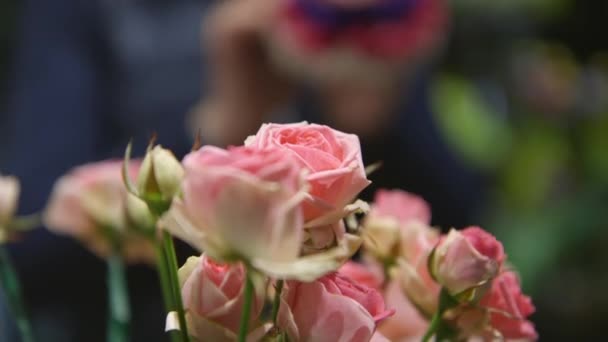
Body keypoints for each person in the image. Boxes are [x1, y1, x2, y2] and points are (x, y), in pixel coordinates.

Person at [2, 0, 481, 340]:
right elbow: (32, 243)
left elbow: (456, 236)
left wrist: (376, 120)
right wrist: (216, 128)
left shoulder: (350, 16)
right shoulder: (92, 12)